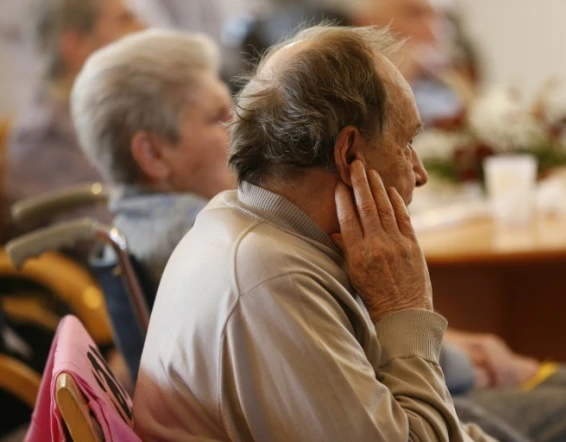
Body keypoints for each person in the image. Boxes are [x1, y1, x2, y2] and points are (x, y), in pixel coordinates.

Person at [133, 24, 494, 442]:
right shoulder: (273, 278)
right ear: (348, 154)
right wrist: (404, 308)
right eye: (406, 143)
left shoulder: (247, 224)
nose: (420, 173)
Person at [71, 29, 235, 287]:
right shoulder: (220, 240)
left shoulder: (126, 231)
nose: (241, 126)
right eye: (218, 117)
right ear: (152, 155)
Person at [4, 0, 143, 229]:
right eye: (125, 20)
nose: (143, 28)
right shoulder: (42, 140)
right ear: (75, 45)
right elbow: (110, 238)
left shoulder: (113, 113)